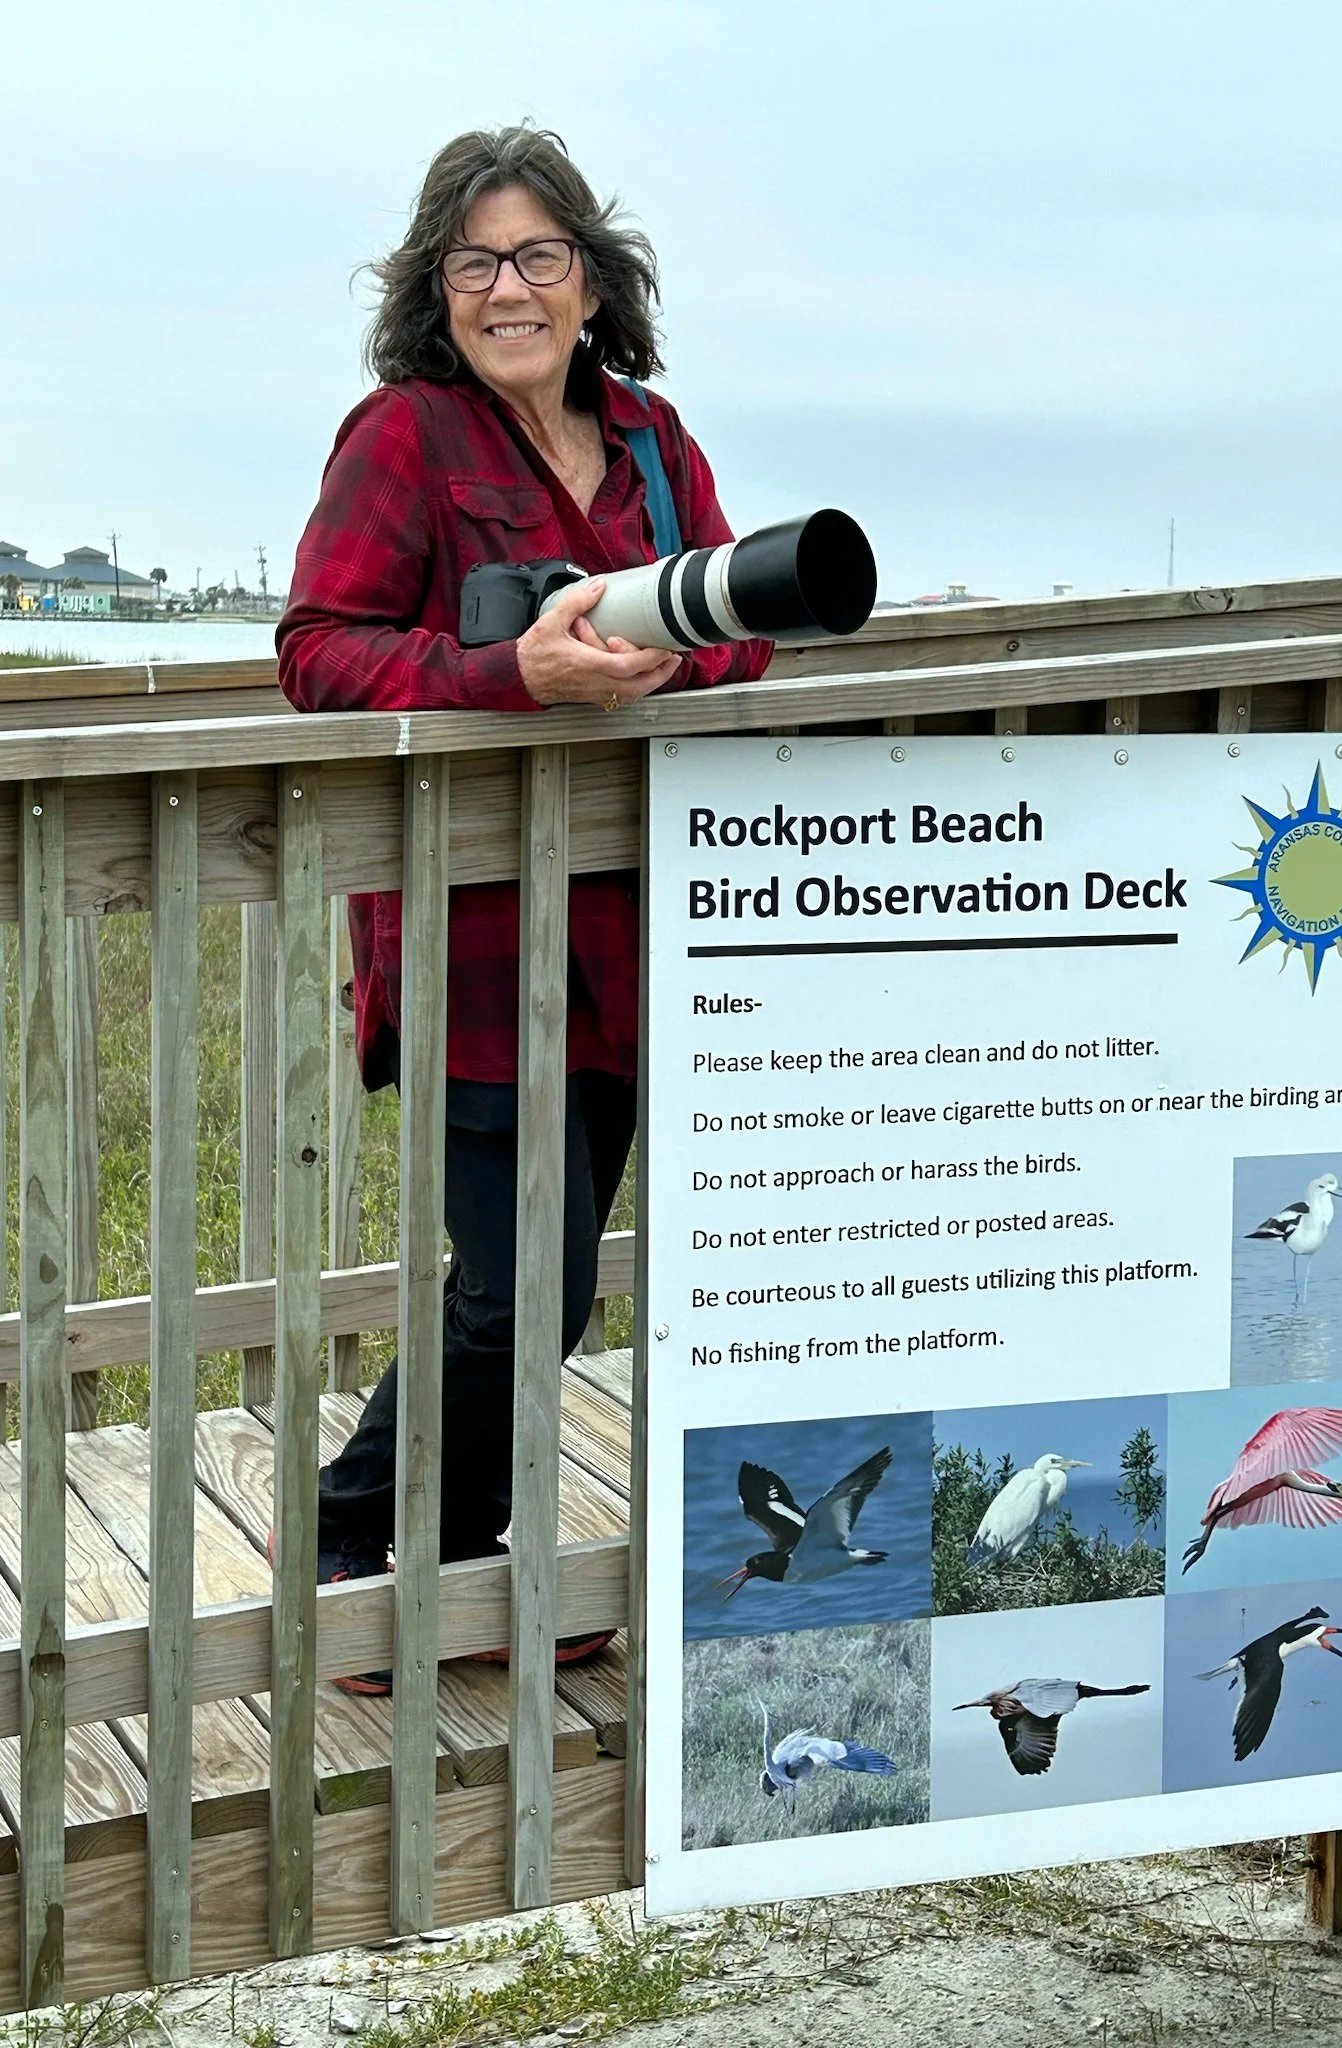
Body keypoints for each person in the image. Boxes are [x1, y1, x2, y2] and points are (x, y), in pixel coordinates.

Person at [278, 124, 773, 1692]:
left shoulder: (649, 440)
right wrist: (510, 673)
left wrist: (666, 655)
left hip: (633, 938)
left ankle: (469, 1556)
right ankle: (353, 1541)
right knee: (517, 1284)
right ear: (439, 286)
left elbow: (735, 622)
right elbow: (319, 649)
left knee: (549, 1285)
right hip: (474, 943)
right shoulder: (403, 439)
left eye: (540, 255)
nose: (512, 287)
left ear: (590, 277)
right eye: (478, 260)